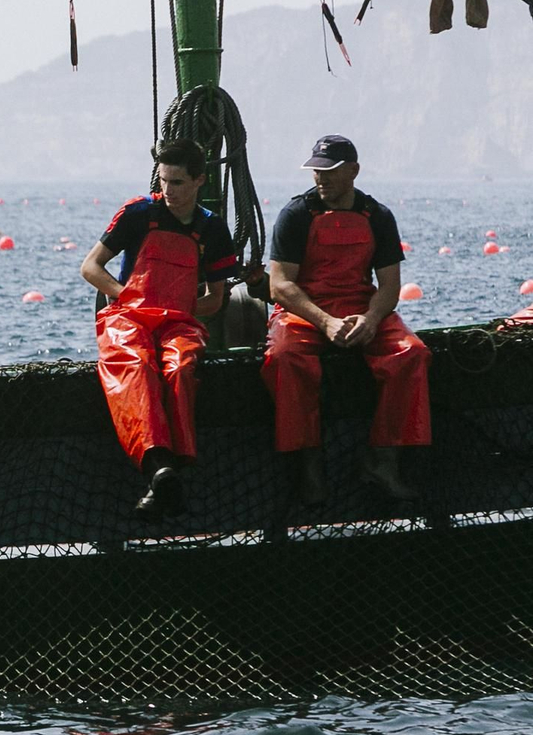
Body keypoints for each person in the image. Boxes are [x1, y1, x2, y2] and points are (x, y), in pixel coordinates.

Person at [262, 135, 430, 503]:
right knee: (286, 359)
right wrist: (324, 322)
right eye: (316, 171)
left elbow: (389, 286)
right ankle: (310, 466)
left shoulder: (379, 216)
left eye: (331, 171)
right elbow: (280, 286)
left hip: (360, 307)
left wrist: (371, 319)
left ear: (354, 171)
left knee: (411, 354)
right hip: (305, 311)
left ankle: (383, 461)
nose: (321, 178)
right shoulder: (295, 215)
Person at [80, 139, 238, 519]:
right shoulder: (138, 214)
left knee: (181, 367)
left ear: (200, 180)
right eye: (164, 180)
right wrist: (127, 296)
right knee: (134, 365)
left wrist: (180, 310)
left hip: (178, 321)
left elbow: (215, 300)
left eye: (179, 182)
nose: (168, 190)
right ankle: (160, 469)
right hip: (129, 316)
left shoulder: (212, 229)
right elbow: (90, 267)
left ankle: (171, 473)